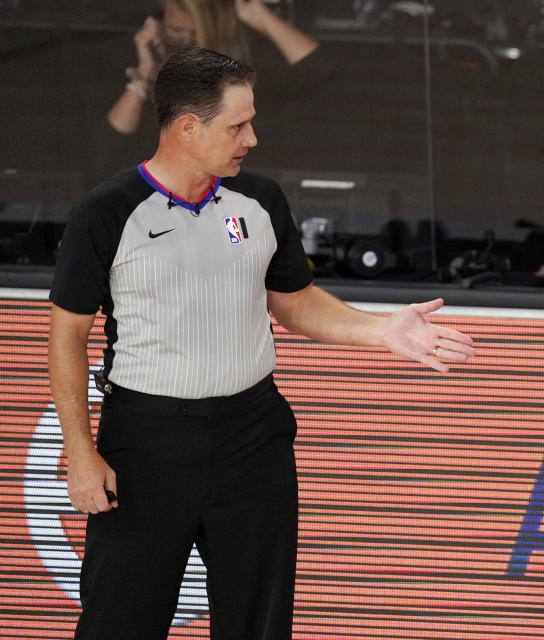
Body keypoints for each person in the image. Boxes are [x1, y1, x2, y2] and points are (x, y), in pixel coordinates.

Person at [47, 46, 475, 639]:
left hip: (253, 441)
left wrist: (381, 329)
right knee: (120, 623)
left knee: (259, 624)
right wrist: (80, 452)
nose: (253, 137)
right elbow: (67, 335)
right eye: (238, 125)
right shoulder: (107, 211)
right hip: (146, 445)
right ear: (187, 127)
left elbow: (294, 301)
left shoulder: (260, 201)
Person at [107, 0, 319, 135]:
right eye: (175, 30)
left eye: (195, 31)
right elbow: (113, 141)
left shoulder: (249, 60)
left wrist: (262, 18)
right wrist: (145, 70)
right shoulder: (146, 59)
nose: (186, 39)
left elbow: (319, 71)